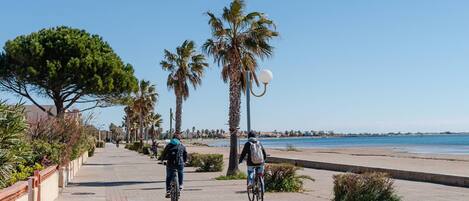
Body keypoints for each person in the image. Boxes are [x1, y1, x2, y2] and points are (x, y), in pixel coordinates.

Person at [161, 133, 187, 198]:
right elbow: (185, 154)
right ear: (179, 139)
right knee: (180, 172)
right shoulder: (182, 145)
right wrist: (184, 161)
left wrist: (162, 160)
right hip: (179, 163)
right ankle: (180, 185)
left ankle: (168, 190)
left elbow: (163, 154)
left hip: (170, 164)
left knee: (168, 177)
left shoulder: (169, 145)